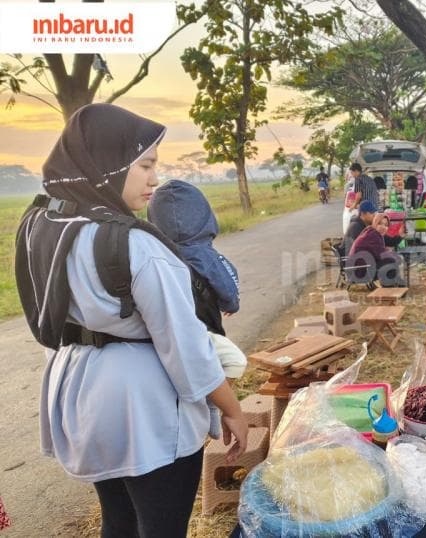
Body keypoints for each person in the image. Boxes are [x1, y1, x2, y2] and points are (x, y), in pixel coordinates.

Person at [15, 104, 247, 537]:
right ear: (107, 165)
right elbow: (186, 350)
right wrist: (231, 409)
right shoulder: (136, 244)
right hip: (143, 409)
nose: (155, 180)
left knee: (118, 521)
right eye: (144, 165)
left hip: (83, 394)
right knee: (161, 527)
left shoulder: (45, 226)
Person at [147, 179, 248, 439]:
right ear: (204, 215)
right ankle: (216, 405)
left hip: (168, 336)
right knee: (234, 361)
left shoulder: (152, 255)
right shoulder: (206, 255)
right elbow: (229, 285)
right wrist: (230, 304)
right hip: (199, 332)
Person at [348, 214, 406, 287]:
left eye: (386, 225)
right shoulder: (373, 235)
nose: (383, 227)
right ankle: (390, 287)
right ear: (375, 223)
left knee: (390, 261)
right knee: (390, 261)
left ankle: (394, 285)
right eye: (380, 224)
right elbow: (382, 255)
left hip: (360, 268)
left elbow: (383, 250)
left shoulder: (372, 232)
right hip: (359, 271)